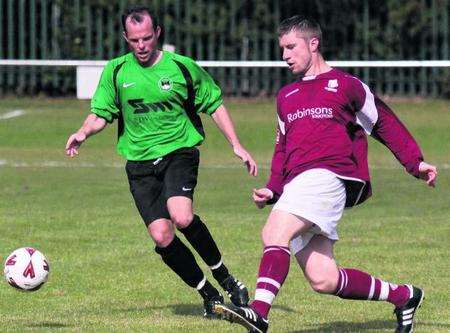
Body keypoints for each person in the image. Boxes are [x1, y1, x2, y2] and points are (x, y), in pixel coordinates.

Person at [213, 16, 437, 333]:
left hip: (330, 176)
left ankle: (259, 313)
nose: (285, 55)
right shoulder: (286, 97)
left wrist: (415, 163)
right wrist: (273, 190)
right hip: (298, 185)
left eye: (291, 47)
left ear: (313, 43)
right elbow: (282, 149)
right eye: (282, 49)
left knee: (274, 232)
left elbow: (384, 122)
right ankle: (403, 296)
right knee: (324, 278)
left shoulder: (347, 86)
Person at [65, 5, 257, 318]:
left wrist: (236, 145)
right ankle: (208, 295)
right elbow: (101, 114)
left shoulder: (182, 67)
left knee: (181, 216)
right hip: (139, 163)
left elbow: (215, 104)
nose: (141, 46)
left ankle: (226, 278)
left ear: (157, 34)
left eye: (146, 38)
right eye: (134, 40)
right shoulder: (116, 71)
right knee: (162, 236)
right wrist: (83, 132)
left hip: (178, 151)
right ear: (126, 38)